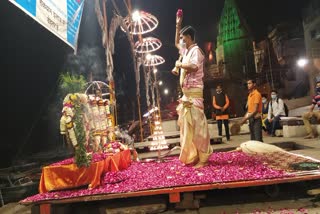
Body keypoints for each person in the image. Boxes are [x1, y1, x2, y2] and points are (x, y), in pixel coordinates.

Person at [172, 11, 212, 168]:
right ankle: (193, 156)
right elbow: (176, 43)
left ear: (188, 37)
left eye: (183, 37)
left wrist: (179, 65)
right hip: (186, 96)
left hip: (195, 94)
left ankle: (203, 158)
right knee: (187, 129)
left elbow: (194, 67)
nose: (181, 40)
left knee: (198, 129)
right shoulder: (186, 51)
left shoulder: (196, 51)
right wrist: (178, 25)